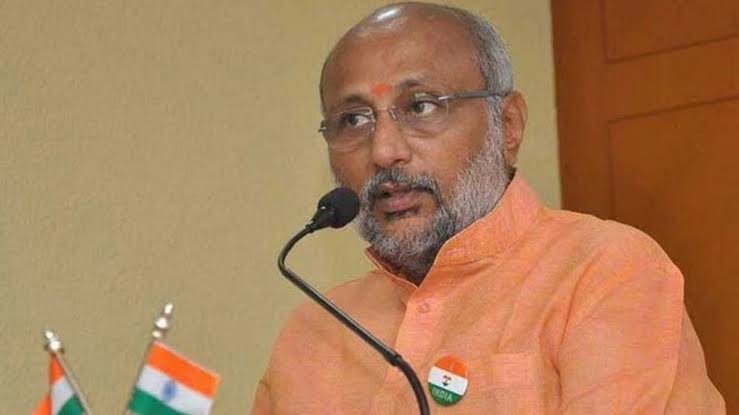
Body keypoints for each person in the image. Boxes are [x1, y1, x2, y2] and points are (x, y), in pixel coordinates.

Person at [251, 2, 725, 413]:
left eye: (421, 106)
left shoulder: (604, 272)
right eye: (353, 120)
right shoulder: (313, 330)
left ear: (508, 125)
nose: (384, 151)